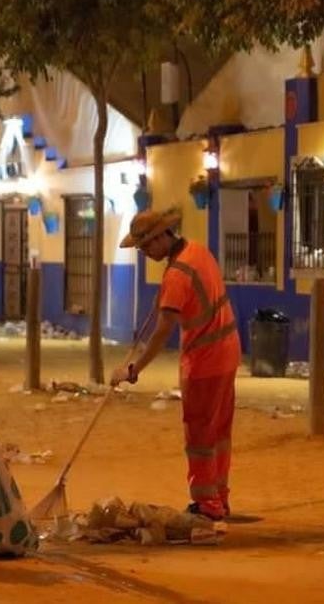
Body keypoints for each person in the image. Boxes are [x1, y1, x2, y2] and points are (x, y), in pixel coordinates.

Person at [112, 208, 240, 522]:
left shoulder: (176, 276)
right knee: (219, 431)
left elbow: (161, 332)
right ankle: (220, 496)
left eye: (144, 247)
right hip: (228, 351)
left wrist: (133, 370)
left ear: (161, 238)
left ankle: (207, 505)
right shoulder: (197, 251)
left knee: (199, 435)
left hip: (205, 361)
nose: (143, 253)